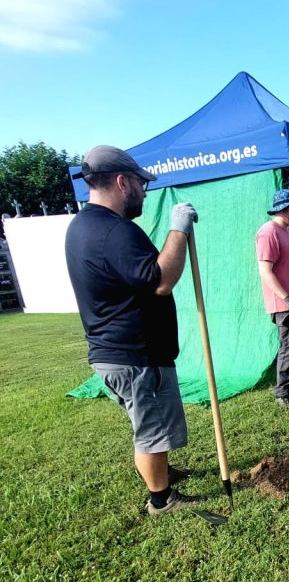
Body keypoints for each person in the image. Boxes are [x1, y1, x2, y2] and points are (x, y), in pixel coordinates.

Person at [64, 145, 199, 517]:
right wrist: (179, 229)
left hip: (114, 353)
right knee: (152, 430)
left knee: (148, 423)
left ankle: (162, 474)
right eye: (141, 183)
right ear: (123, 182)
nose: (144, 191)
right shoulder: (113, 231)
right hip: (134, 356)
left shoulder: (82, 227)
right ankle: (162, 499)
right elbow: (161, 279)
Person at [256, 189, 289, 409]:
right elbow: (265, 271)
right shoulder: (268, 233)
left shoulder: (286, 231)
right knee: (288, 346)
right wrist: (288, 300)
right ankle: (282, 392)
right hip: (283, 303)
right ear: (284, 209)